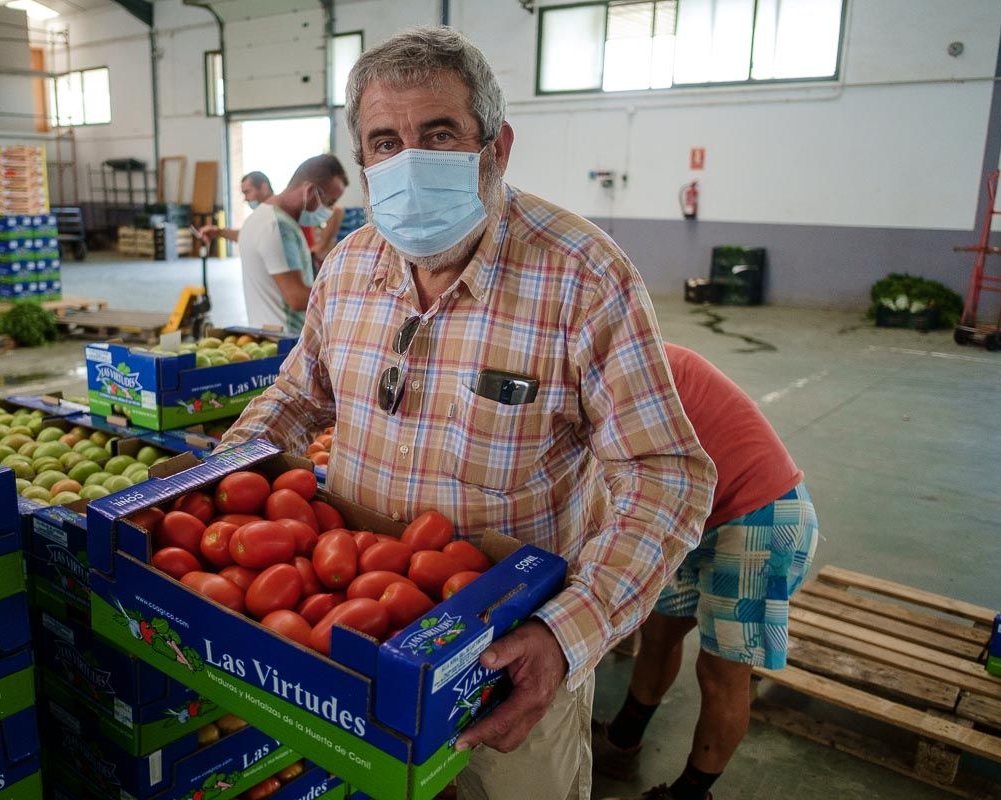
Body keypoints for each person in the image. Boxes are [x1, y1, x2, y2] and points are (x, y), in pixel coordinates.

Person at [218, 27, 715, 800]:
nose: (408, 159)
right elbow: (295, 397)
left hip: (506, 663)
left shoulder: (583, 277)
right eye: (385, 141)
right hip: (352, 635)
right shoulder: (350, 266)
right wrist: (216, 487)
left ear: (497, 147)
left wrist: (566, 632)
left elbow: (665, 476)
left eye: (438, 133)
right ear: (363, 161)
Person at [596, 343, 819, 800]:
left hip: (758, 516)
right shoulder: (612, 364)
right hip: (697, 514)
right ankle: (622, 742)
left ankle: (691, 792)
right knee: (660, 633)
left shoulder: (639, 372)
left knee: (721, 674)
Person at [235, 154, 347, 334]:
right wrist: (349, 292)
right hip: (285, 339)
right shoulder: (278, 226)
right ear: (310, 191)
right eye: (329, 202)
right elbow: (296, 298)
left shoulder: (259, 218)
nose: (329, 210)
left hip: (265, 334)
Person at [200, 171, 275, 243]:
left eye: (247, 192)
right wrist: (219, 232)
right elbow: (248, 236)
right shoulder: (263, 215)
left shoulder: (277, 214)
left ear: (264, 188)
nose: (245, 199)